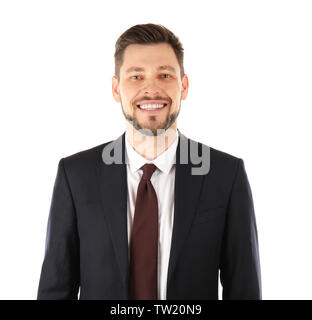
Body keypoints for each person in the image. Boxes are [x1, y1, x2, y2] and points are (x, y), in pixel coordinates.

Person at [37, 23, 261, 300]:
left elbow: (244, 290)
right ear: (116, 89)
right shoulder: (75, 175)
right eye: (136, 76)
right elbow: (56, 289)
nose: (151, 89)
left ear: (184, 86)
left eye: (165, 75)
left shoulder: (226, 176)